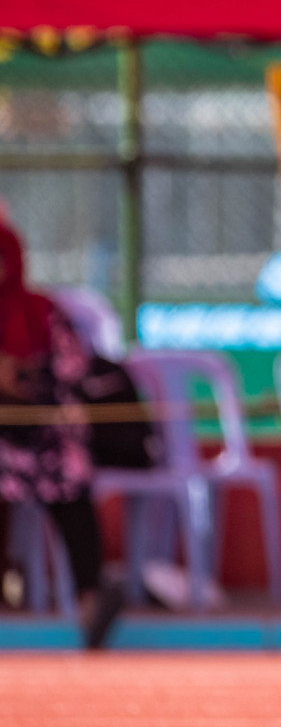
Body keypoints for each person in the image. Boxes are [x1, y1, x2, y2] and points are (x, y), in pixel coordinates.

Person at [0, 221, 123, 648]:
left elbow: (75, 368)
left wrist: (28, 373)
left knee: (69, 474)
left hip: (44, 433)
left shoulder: (42, 311)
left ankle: (91, 597)